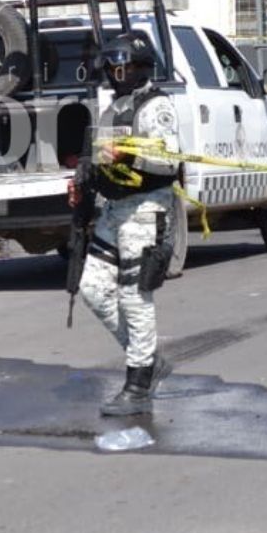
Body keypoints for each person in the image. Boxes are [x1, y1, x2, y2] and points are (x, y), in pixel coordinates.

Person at [68, 31, 179, 417]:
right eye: (112, 67)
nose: (118, 73)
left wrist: (127, 157)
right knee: (94, 290)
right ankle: (146, 358)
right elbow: (99, 158)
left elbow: (169, 162)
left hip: (147, 209)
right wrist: (86, 180)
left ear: (143, 67)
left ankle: (138, 381)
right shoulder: (112, 109)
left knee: (135, 295)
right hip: (112, 211)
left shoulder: (156, 107)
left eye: (125, 66)